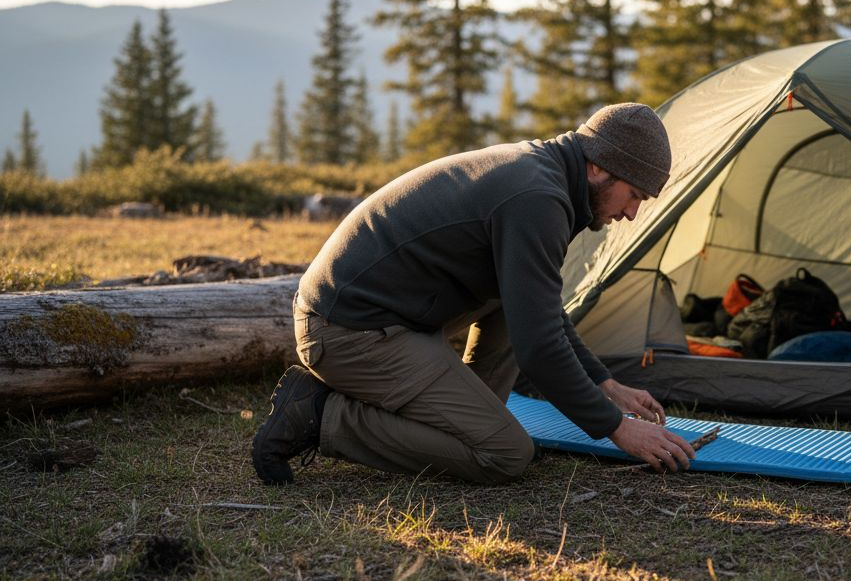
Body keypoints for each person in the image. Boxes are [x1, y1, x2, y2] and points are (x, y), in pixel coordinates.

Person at [250, 103, 696, 485]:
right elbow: (539, 347)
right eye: (633, 195)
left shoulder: (546, 175)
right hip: (346, 330)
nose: (632, 213)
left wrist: (605, 383)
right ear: (598, 166)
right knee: (505, 453)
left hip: (387, 316)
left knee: (513, 306)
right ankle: (319, 413)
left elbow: (539, 309)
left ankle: (468, 419)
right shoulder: (538, 199)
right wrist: (617, 428)